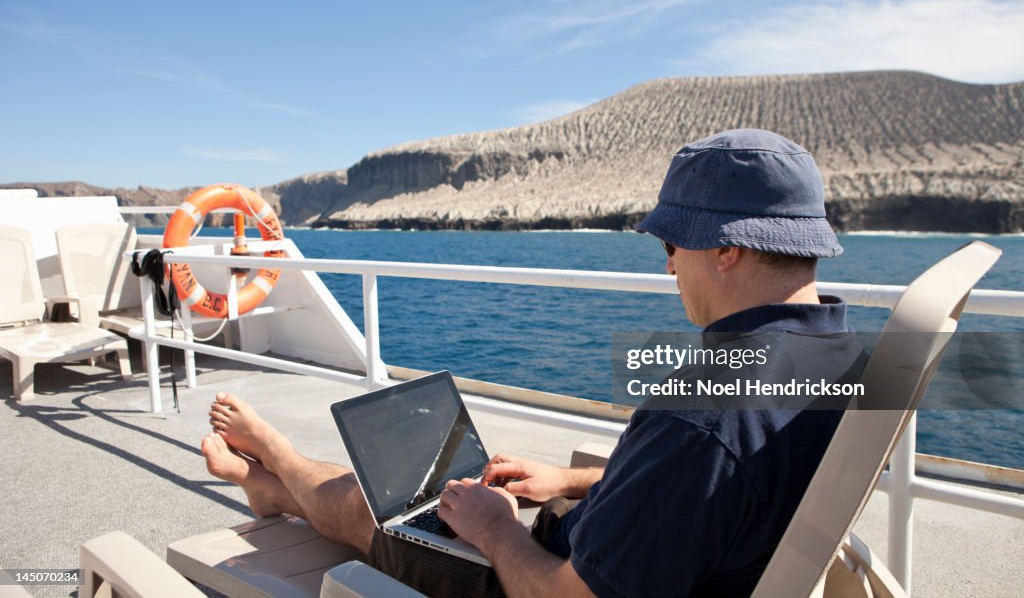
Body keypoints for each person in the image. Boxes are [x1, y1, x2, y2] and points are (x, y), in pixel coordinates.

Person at [203, 128, 862, 597]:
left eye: (672, 242)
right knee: (429, 489)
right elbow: (715, 491)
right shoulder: (849, 358)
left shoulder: (705, 409)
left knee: (376, 505)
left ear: (725, 250)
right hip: (676, 558)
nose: (667, 263)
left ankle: (277, 462)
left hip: (541, 579)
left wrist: (494, 533)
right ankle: (268, 488)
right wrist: (568, 481)